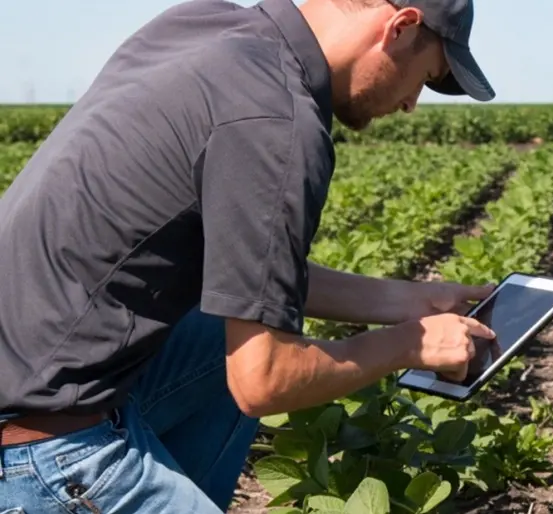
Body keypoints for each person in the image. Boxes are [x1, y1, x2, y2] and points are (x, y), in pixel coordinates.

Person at [0, 0, 499, 512]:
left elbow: (251, 280)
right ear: (401, 27)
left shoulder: (200, 27)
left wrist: (415, 302)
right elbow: (264, 380)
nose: (412, 103)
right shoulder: (280, 121)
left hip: (28, 378)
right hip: (42, 450)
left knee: (222, 329)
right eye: (426, 76)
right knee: (252, 354)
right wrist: (409, 345)